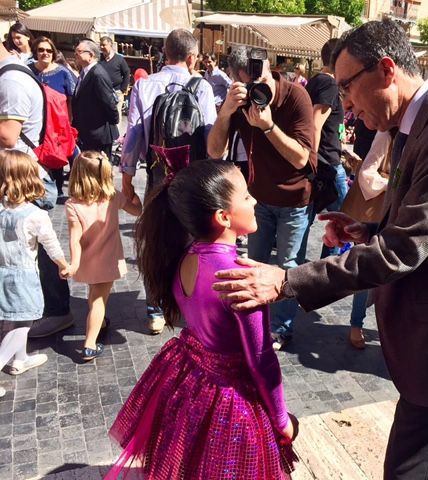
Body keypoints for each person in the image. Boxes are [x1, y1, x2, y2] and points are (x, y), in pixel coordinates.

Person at [212, 19, 428, 479]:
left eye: (347, 86)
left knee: (409, 472)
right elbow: (426, 223)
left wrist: (286, 280)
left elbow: (405, 250)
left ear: (386, 70)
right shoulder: (419, 122)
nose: (343, 103)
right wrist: (368, 229)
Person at [106, 160, 297, 479]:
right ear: (223, 216)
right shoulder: (241, 279)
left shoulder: (186, 257)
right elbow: (261, 360)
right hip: (230, 398)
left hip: (190, 378)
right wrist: (281, 420)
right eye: (247, 196)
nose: (255, 201)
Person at [207, 46, 315, 351]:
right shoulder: (239, 104)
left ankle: (280, 328)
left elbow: (301, 159)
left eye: (263, 82)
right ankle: (253, 321)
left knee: (287, 265)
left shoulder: (296, 96)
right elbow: (215, 151)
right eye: (250, 86)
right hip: (257, 200)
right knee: (251, 263)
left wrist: (268, 126)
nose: (259, 91)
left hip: (294, 200)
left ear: (269, 69)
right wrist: (227, 110)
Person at [121, 28, 216, 335]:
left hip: (157, 177)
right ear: (192, 57)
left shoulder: (145, 85)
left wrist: (126, 182)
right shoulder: (201, 86)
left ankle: (155, 310)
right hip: (193, 181)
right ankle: (189, 304)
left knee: (155, 242)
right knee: (194, 243)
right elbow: (211, 138)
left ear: (165, 52)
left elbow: (133, 135)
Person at [0, 39, 72, 339]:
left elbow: (8, 135)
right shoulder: (14, 75)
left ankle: (55, 311)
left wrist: (65, 263)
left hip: (25, 175)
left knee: (37, 247)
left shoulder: (12, 80)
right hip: (22, 173)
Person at [0, 150, 69, 398]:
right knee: (22, 324)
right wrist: (63, 265)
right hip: (23, 278)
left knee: (8, 320)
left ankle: (19, 359)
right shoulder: (36, 215)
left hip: (1, 274)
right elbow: (51, 244)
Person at [64, 151, 141, 361]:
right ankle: (89, 344)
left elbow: (74, 238)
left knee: (94, 294)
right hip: (108, 260)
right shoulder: (113, 196)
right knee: (99, 299)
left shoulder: (72, 204)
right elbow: (137, 211)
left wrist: (74, 263)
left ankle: (101, 322)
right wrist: (134, 195)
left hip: (87, 260)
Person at [340, 130, 393, 349]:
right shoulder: (387, 135)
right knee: (367, 271)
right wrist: (394, 184)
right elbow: (367, 174)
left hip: (399, 214)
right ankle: (356, 325)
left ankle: (389, 328)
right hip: (377, 214)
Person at [303, 38, 347, 258]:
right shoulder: (328, 84)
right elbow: (315, 125)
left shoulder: (314, 82)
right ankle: (329, 267)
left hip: (321, 160)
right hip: (327, 163)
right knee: (346, 219)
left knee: (307, 217)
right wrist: (312, 162)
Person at [29, 36, 77, 195]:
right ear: (35, 52)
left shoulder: (62, 72)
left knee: (55, 157)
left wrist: (68, 122)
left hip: (57, 124)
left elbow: (71, 98)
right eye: (41, 50)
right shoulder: (28, 70)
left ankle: (56, 190)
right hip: (34, 122)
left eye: (49, 50)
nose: (45, 53)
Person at [72, 39, 119, 159]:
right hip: (88, 132)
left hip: (98, 134)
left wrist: (113, 121)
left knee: (98, 171)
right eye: (76, 51)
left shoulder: (97, 74)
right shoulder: (85, 72)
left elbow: (109, 102)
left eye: (79, 51)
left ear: (91, 55)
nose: (76, 54)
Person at [99, 36, 131, 124]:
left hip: (116, 92)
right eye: (100, 45)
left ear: (110, 45)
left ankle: (116, 136)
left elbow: (127, 73)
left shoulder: (119, 59)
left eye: (104, 45)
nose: (101, 47)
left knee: (115, 115)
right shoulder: (100, 60)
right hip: (103, 92)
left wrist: (122, 89)